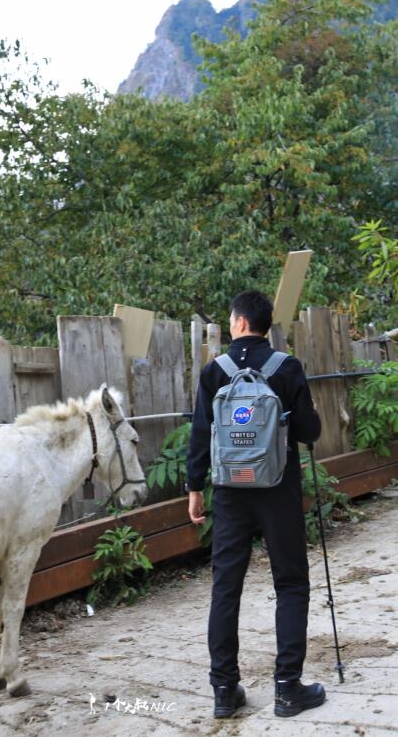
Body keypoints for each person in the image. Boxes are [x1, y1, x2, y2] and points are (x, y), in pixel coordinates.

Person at [185, 290, 326, 719]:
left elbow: (200, 434)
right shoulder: (287, 368)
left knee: (226, 586)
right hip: (278, 488)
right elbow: (309, 432)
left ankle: (224, 691)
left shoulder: (215, 372)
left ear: (239, 324)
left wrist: (195, 489)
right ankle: (287, 689)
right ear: (264, 325)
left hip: (229, 492)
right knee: (291, 583)